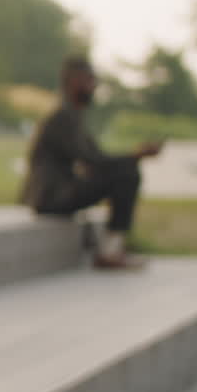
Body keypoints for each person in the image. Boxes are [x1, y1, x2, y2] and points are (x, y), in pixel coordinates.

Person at [21, 56, 161, 270]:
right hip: (51, 196)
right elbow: (91, 160)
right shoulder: (62, 117)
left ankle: (114, 247)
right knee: (127, 173)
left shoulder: (74, 116)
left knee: (126, 169)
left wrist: (133, 157)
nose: (94, 86)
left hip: (61, 191)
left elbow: (97, 157)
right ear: (74, 81)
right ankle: (110, 251)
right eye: (90, 80)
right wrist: (134, 156)